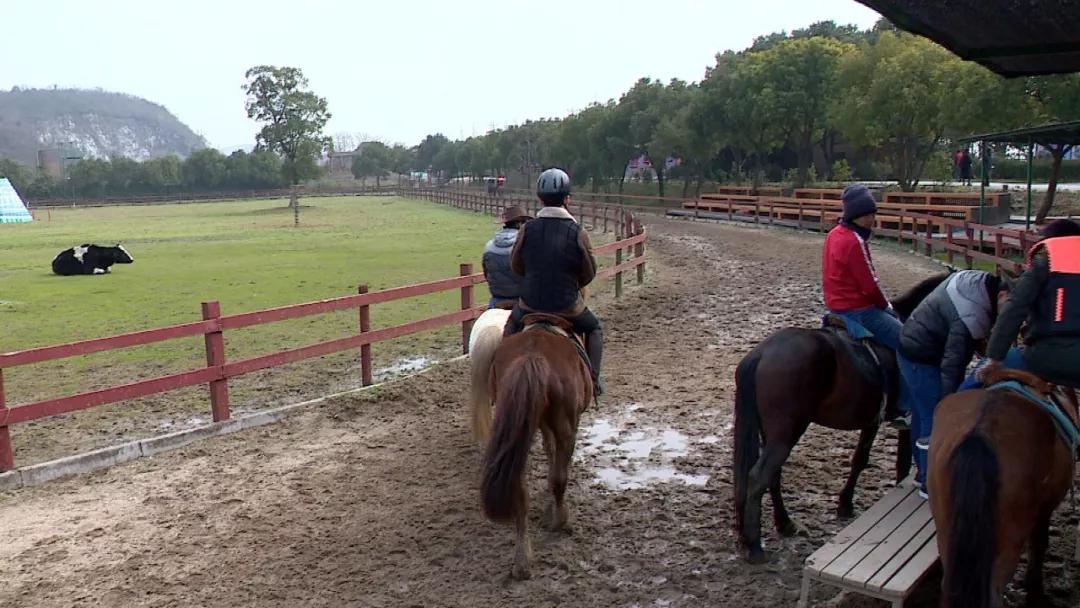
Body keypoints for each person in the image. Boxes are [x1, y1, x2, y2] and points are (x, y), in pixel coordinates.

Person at [898, 270, 1009, 498]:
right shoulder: (972, 314)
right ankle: (931, 482)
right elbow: (954, 363)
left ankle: (921, 473)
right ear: (1001, 296)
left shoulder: (974, 284)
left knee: (921, 413)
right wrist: (949, 401)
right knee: (934, 416)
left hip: (913, 345)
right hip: (923, 356)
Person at [503, 167, 604, 397]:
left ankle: (497, 381)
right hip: (567, 307)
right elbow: (588, 273)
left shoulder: (527, 229)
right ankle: (595, 380)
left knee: (510, 327)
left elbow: (516, 265)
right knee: (595, 328)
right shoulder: (578, 232)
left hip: (529, 304)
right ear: (567, 199)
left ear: (540, 199)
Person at [822, 184, 907, 425]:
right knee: (909, 343)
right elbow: (870, 284)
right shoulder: (854, 241)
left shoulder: (833, 235)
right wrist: (886, 306)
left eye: (873, 214)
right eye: (868, 215)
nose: (872, 220)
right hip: (860, 311)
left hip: (835, 307)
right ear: (857, 215)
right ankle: (905, 407)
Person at [977, 218, 1080, 390]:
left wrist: (995, 357)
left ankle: (945, 411)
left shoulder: (1042, 269)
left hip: (1047, 357)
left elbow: (1014, 310)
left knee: (977, 376)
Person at [482, 205, 531, 309]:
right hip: (523, 301)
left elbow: (487, 274)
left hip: (497, 300)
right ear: (519, 223)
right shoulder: (526, 246)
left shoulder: (489, 246)